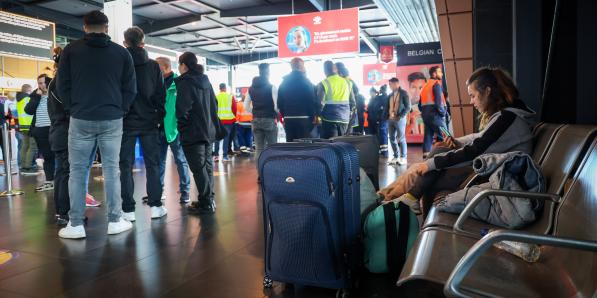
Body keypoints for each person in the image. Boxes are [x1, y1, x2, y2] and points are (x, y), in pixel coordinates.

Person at [395, 67, 536, 215]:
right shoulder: (508, 116)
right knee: (439, 152)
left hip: (497, 178)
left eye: (473, 96)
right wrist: (457, 142)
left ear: (487, 91)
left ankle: (408, 199)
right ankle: (410, 198)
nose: (471, 101)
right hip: (492, 171)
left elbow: (475, 151)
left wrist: (431, 164)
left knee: (430, 176)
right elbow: (481, 138)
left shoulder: (506, 119)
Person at [57, 10, 137, 238]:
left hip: (80, 117)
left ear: (84, 27)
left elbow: (63, 85)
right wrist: (120, 109)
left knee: (78, 171)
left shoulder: (71, 51)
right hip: (112, 118)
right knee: (112, 170)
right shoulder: (121, 53)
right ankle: (115, 220)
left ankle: (75, 224)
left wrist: (72, 108)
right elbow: (130, 88)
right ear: (106, 27)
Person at [119, 26, 167, 221]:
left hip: (125, 122)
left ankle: (128, 210)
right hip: (149, 122)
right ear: (143, 43)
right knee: (153, 165)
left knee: (125, 166)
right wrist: (157, 117)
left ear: (125, 43)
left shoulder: (119, 64)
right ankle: (156, 206)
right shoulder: (154, 66)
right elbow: (160, 95)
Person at [175, 52, 218, 214]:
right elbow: (214, 103)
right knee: (206, 167)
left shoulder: (186, 83)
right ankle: (208, 199)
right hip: (208, 131)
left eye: (179, 64)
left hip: (193, 132)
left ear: (184, 65)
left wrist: (183, 128)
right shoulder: (205, 81)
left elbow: (182, 110)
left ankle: (206, 202)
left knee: (198, 169)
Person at [155, 56, 191, 204]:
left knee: (181, 160)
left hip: (175, 130)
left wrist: (179, 125)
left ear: (165, 67)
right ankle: (158, 191)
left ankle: (185, 191)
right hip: (159, 128)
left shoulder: (179, 83)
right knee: (159, 161)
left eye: (157, 67)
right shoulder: (156, 83)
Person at [25, 74, 55, 192]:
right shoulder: (35, 95)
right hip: (40, 130)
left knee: (59, 155)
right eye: (39, 83)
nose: (42, 85)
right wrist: (37, 97)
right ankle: (49, 181)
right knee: (47, 157)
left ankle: (62, 180)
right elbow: (28, 111)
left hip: (54, 128)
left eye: (43, 82)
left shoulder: (54, 93)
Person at [277, 57, 318, 142]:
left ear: (292, 67)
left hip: (288, 118)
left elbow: (279, 102)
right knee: (303, 146)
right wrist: (313, 115)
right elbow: (311, 100)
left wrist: (285, 114)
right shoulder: (306, 82)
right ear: (301, 66)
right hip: (304, 118)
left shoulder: (283, 83)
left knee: (291, 146)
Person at [244, 63, 278, 161]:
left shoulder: (250, 89)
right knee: (272, 147)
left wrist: (255, 112)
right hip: (269, 119)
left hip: (255, 120)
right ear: (268, 72)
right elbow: (276, 107)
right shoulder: (272, 87)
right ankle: (271, 171)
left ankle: (260, 172)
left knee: (259, 148)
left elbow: (245, 106)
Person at [316, 61, 355, 139]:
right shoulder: (347, 82)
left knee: (330, 145)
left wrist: (319, 116)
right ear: (335, 69)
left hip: (329, 119)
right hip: (344, 119)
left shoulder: (323, 83)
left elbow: (319, 103)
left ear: (325, 71)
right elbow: (353, 103)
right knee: (342, 144)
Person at [420, 66, 448, 158]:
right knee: (446, 136)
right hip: (435, 115)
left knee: (428, 136)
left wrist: (425, 112)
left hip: (426, 116)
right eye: (440, 72)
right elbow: (438, 102)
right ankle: (445, 157)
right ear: (434, 74)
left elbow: (420, 105)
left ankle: (426, 156)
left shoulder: (425, 86)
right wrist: (442, 112)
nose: (442, 74)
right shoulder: (436, 84)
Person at [387, 77, 411, 166]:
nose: (390, 86)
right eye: (389, 84)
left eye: (391, 84)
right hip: (390, 119)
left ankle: (403, 157)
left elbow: (408, 107)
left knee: (401, 138)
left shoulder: (404, 93)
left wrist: (400, 116)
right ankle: (396, 156)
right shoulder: (390, 95)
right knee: (392, 138)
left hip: (399, 119)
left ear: (396, 83)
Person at [16, 84, 38, 174]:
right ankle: (28, 166)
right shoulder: (28, 99)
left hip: (22, 125)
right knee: (32, 147)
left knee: (25, 146)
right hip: (30, 125)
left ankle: (23, 165)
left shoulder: (18, 100)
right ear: (28, 90)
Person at [213, 83, 237, 162]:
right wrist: (233, 116)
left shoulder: (216, 97)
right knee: (226, 138)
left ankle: (216, 156)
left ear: (219, 88)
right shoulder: (230, 97)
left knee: (217, 137)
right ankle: (225, 156)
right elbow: (234, 108)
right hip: (228, 120)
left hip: (218, 120)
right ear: (225, 88)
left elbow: (213, 109)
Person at [335, 62, 360, 135]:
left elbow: (356, 91)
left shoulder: (347, 81)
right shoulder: (347, 80)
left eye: (335, 69)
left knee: (346, 135)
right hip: (346, 112)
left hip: (348, 112)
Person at [368, 85, 389, 157]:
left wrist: (378, 118)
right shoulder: (376, 99)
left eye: (382, 89)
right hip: (375, 120)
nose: (380, 91)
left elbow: (381, 110)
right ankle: (380, 150)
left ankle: (384, 152)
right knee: (379, 135)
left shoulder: (383, 98)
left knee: (382, 134)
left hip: (381, 120)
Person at [405, 72, 426, 137]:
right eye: (414, 87)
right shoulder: (406, 107)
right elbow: (403, 134)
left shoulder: (430, 106)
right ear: (409, 88)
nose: (417, 91)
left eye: (420, 88)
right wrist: (410, 120)